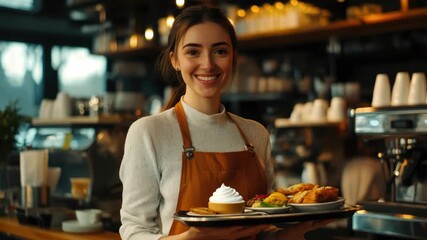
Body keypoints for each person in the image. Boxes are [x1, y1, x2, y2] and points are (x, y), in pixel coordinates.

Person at [119, 4, 334, 240]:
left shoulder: (255, 134)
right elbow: (134, 231)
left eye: (220, 51)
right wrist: (190, 239)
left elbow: (263, 227)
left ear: (233, 58)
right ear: (175, 60)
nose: (208, 64)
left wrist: (293, 232)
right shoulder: (149, 132)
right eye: (193, 52)